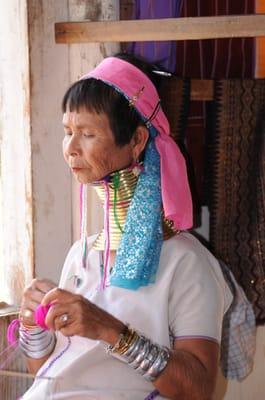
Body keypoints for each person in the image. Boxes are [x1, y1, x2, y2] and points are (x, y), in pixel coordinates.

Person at [19, 54, 233, 400]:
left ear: (136, 141)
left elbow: (198, 389)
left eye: (87, 134)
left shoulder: (186, 262)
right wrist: (33, 323)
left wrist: (109, 329)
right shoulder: (82, 254)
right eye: (68, 132)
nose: (71, 148)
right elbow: (51, 373)